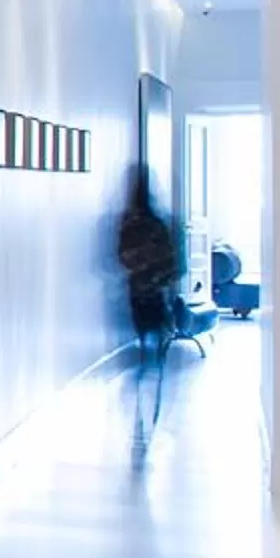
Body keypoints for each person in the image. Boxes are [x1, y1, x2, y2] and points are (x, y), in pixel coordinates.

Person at [114, 162, 184, 439]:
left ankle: (142, 385)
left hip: (135, 292)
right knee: (156, 350)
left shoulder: (128, 223)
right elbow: (172, 263)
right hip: (156, 293)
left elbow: (122, 256)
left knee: (145, 344)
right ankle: (150, 401)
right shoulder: (158, 223)